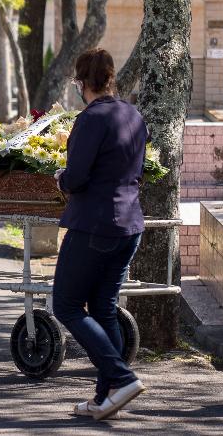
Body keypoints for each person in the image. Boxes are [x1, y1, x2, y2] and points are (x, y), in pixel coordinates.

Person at [52, 48, 148, 420]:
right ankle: (106, 397)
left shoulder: (91, 120)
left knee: (67, 306)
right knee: (104, 307)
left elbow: (75, 177)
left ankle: (122, 378)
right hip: (129, 225)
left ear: (81, 83)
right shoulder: (133, 115)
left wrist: (60, 178)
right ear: (111, 78)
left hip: (94, 224)